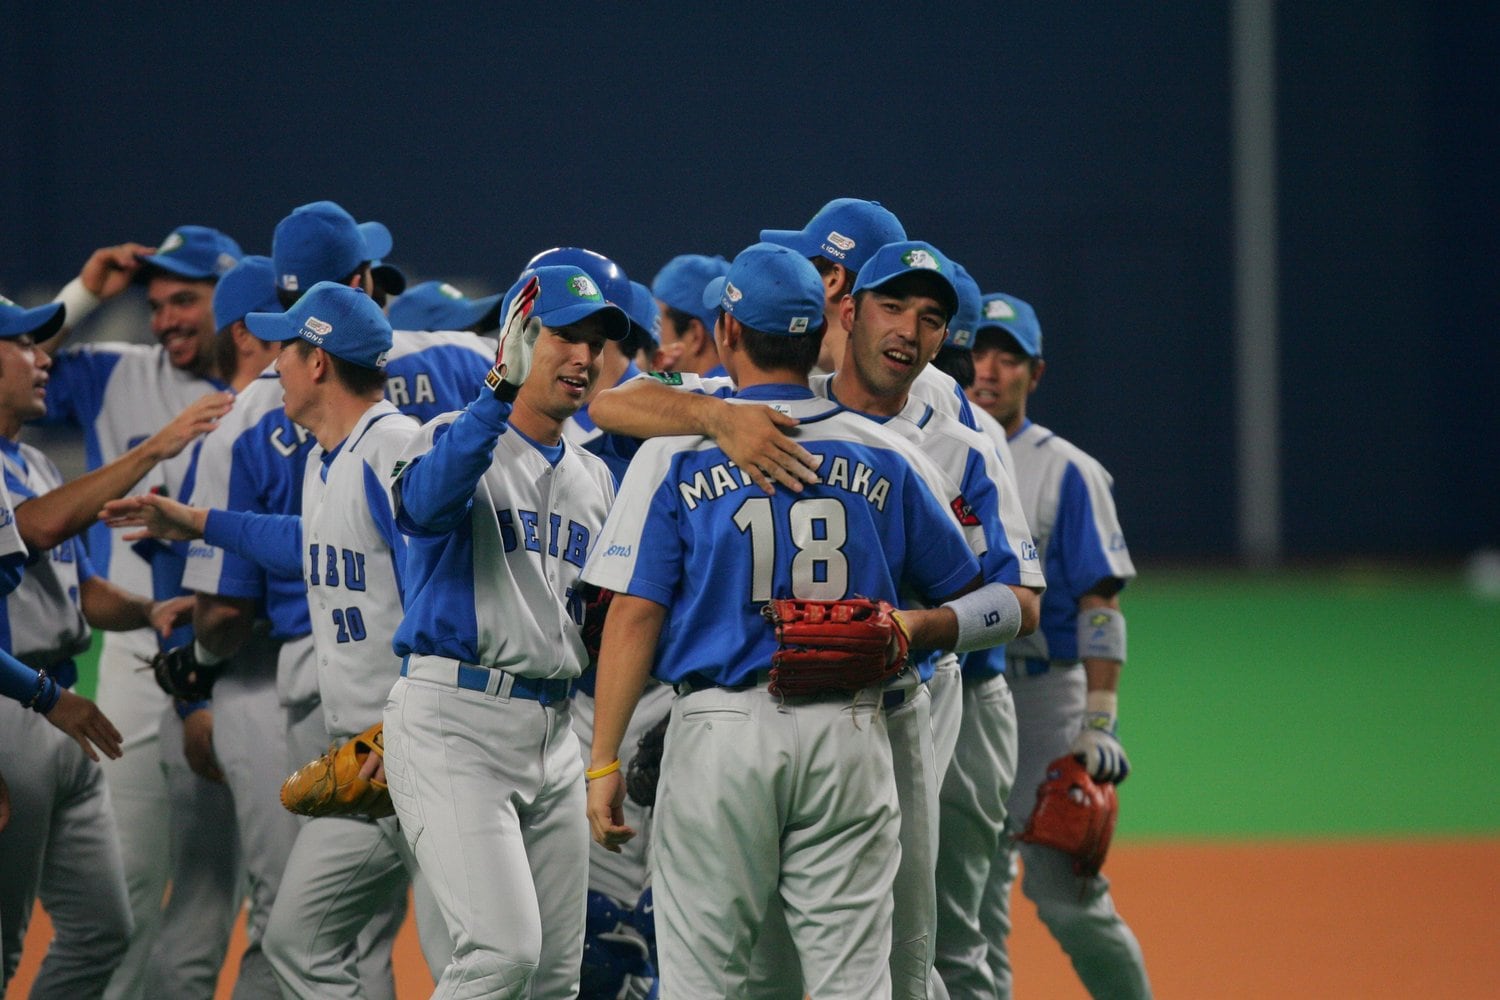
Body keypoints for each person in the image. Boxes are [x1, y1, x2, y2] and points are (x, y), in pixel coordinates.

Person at [587, 241, 1043, 998]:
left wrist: (603, 759)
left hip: (725, 732)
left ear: (728, 333)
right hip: (853, 737)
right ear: (834, 323)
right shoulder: (888, 454)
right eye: (894, 305)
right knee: (856, 983)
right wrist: (914, 625)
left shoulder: (677, 452)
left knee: (707, 980)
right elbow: (983, 596)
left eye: (927, 316)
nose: (908, 328)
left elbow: (634, 614)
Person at [105, 280, 451, 998]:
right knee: (302, 939)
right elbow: (310, 540)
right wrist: (199, 523)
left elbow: (439, 592)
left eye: (282, 352)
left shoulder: (392, 447)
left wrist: (420, 715)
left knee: (464, 955)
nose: (272, 368)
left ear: (317, 363)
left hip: (418, 745)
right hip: (364, 757)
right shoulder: (332, 457)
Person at [382, 263, 629, 998]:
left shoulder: (596, 478)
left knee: (555, 978)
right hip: (455, 723)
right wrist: (495, 392)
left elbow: (601, 623)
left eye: (595, 342)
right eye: (564, 336)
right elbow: (423, 509)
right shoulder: (448, 437)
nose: (583, 357)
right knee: (501, 954)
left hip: (554, 734)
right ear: (518, 336)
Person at [0, 292, 222, 999]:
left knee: (102, 931)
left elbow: (81, 591)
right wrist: (157, 446)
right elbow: (33, 530)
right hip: (15, 705)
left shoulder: (32, 461)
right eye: (26, 347)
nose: (45, 362)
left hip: (62, 710)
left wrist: (153, 610)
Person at [965, 292, 1151, 999]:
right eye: (977, 352)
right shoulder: (939, 451)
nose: (988, 369)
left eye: (1006, 356)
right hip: (966, 691)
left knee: (1068, 898)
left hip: (1045, 697)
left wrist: (1098, 719)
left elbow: (1101, 603)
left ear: (1033, 373)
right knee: (969, 900)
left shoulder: (1067, 470)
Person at [648, 254, 730, 376]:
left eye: (657, 325)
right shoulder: (748, 385)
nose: (651, 338)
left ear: (695, 335)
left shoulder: (667, 393)